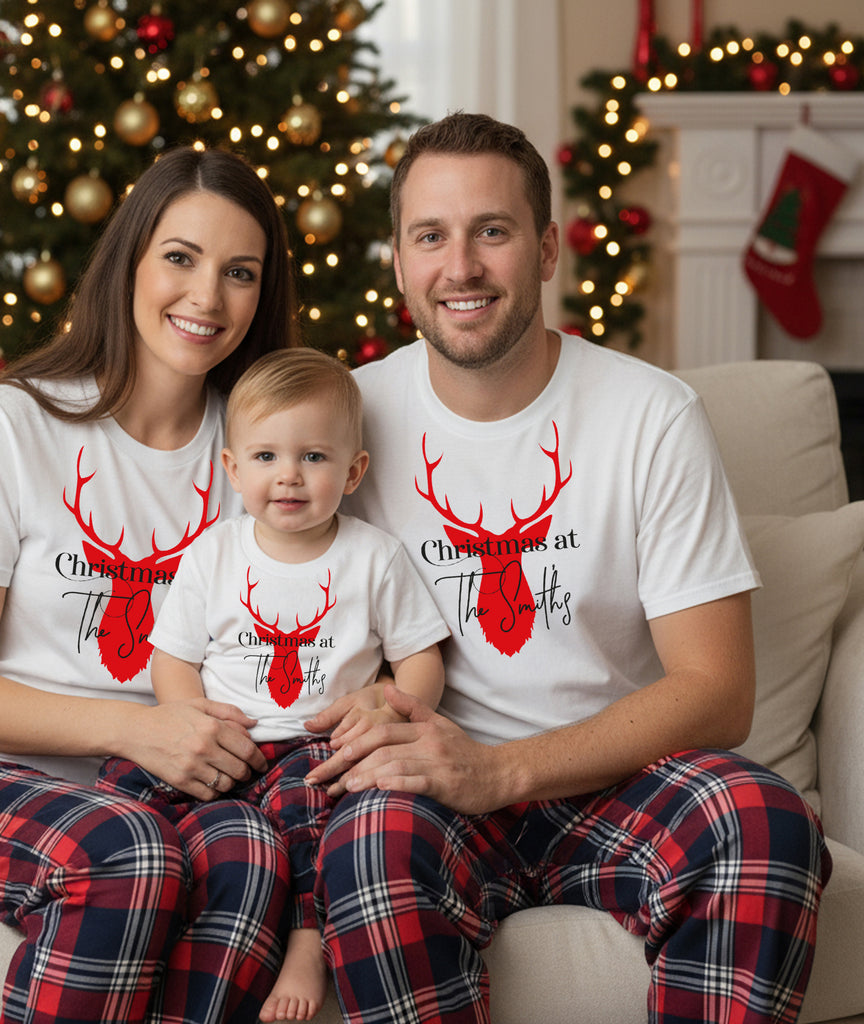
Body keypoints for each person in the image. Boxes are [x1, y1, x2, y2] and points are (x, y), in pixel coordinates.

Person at [304, 112, 833, 1024]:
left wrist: (504, 772)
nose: (460, 266)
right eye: (431, 235)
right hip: (431, 787)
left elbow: (718, 690)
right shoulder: (345, 420)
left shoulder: (651, 415)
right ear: (397, 260)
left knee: (766, 820)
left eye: (493, 231)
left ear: (547, 249)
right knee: (366, 843)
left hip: (616, 777)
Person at [0, 145, 306, 1024]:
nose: (207, 298)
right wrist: (136, 729)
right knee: (131, 853)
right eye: (180, 258)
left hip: (152, 792)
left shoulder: (265, 455)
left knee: (253, 852)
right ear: (131, 262)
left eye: (240, 273)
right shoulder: (16, 423)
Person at [96, 347, 449, 1022]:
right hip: (223, 741)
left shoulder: (374, 557)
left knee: (315, 814)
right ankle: (148, 905)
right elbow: (169, 658)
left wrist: (391, 707)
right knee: (123, 782)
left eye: (313, 458)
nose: (288, 476)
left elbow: (422, 661)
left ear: (353, 472)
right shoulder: (213, 553)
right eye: (265, 458)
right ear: (232, 468)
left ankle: (308, 939)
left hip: (315, 747)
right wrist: (185, 720)